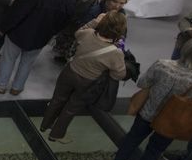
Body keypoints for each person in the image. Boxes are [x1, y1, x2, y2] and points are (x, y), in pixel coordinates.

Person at [40, 12, 128, 143]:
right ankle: (56, 134)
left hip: (69, 71)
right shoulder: (116, 53)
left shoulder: (87, 34)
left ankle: (45, 124)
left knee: (57, 99)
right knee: (72, 107)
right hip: (88, 82)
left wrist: (94, 21)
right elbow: (119, 74)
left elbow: (78, 32)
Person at [0, 0, 76, 96]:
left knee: (8, 58)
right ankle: (17, 88)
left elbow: (17, 14)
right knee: (27, 62)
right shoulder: (71, 1)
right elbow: (64, 24)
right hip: (41, 38)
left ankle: (1, 84)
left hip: (18, 34)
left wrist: (3, 29)